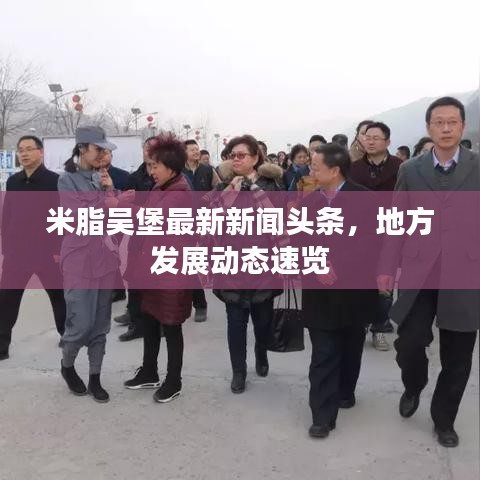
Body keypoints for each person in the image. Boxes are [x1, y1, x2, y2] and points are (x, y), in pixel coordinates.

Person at [377, 97, 480, 448]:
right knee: (409, 342)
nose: (446, 128)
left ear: (462, 126)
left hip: (465, 272)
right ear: (429, 127)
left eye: (453, 122)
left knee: (458, 354)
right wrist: (386, 267)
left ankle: (444, 419)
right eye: (439, 122)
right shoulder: (411, 169)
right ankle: (413, 384)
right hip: (420, 270)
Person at [303, 143, 378, 439]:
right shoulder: (309, 203)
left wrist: (338, 265)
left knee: (350, 347)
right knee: (323, 353)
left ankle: (345, 391)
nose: (310, 171)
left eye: (315, 167)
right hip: (320, 294)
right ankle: (322, 415)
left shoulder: (365, 200)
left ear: (334, 170)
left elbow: (372, 245)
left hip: (354, 292)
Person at [123, 133, 192, 402]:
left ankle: (174, 381)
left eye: (155, 166)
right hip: (152, 268)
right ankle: (149, 371)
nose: (151, 171)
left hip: (171, 271)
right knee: (150, 320)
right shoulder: (160, 188)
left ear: (171, 167)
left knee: (171, 326)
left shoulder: (180, 193)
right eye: (150, 166)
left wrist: (121, 206)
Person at [213, 134, 283, 394]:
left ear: (255, 158)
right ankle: (238, 371)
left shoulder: (270, 187)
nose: (236, 159)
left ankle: (261, 352)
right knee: (235, 324)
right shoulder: (224, 187)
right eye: (232, 155)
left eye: (242, 155)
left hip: (262, 264)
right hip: (231, 265)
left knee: (263, 322)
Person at [58, 126, 121, 403]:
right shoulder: (67, 181)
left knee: (100, 324)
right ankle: (67, 365)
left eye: (105, 150)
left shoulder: (104, 178)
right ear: (82, 149)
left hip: (104, 259)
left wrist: (110, 191)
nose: (103, 155)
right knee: (80, 323)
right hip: (78, 260)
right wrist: (106, 200)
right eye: (98, 149)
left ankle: (95, 377)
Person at [0, 135, 66, 361]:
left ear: (41, 152)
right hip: (17, 254)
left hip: (47, 253)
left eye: (29, 149)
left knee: (59, 297)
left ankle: (68, 336)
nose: (24, 154)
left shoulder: (55, 181)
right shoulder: (13, 181)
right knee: (6, 300)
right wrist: (6, 246)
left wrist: (59, 249)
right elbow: (7, 215)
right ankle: (2, 346)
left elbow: (62, 218)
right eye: (21, 150)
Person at [349, 121, 403, 351]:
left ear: (387, 142)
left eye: (375, 138)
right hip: (360, 235)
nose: (370, 141)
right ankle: (360, 324)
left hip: (389, 233)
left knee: (385, 286)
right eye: (366, 137)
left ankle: (380, 328)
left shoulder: (401, 167)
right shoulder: (353, 168)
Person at [114, 137, 156, 342]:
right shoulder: (134, 178)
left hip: (159, 238)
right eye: (147, 148)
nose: (150, 152)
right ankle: (135, 319)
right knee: (134, 278)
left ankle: (158, 322)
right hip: (138, 237)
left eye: (155, 148)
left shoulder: (170, 178)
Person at [183, 139, 220, 322]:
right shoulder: (178, 171)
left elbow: (220, 187)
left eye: (197, 149)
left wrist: (210, 197)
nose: (196, 152)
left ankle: (201, 304)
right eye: (192, 150)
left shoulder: (208, 170)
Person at [103, 149, 130, 303]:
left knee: (111, 252)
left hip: (118, 220)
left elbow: (128, 199)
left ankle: (118, 290)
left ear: (111, 156)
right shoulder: (91, 175)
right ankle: (116, 288)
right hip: (99, 219)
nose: (103, 156)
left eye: (106, 153)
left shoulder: (123, 175)